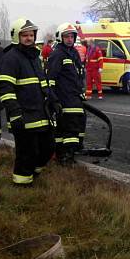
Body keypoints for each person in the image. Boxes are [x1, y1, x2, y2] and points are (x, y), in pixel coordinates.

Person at [0, 18, 59, 185]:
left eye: (31, 35)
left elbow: (43, 83)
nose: (29, 38)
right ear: (17, 36)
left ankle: (34, 173)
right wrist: (15, 113)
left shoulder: (35, 57)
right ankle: (22, 186)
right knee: (26, 154)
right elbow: (5, 88)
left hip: (41, 114)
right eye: (25, 35)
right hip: (23, 117)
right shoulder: (11, 58)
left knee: (48, 148)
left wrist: (53, 101)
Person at [47, 23, 86, 165]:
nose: (70, 39)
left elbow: (78, 75)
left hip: (74, 97)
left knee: (73, 126)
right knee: (70, 128)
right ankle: (66, 157)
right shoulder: (58, 54)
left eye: (72, 36)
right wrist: (53, 99)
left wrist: (81, 91)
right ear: (60, 37)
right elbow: (50, 79)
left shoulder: (74, 53)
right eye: (66, 36)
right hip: (64, 98)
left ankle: (65, 153)